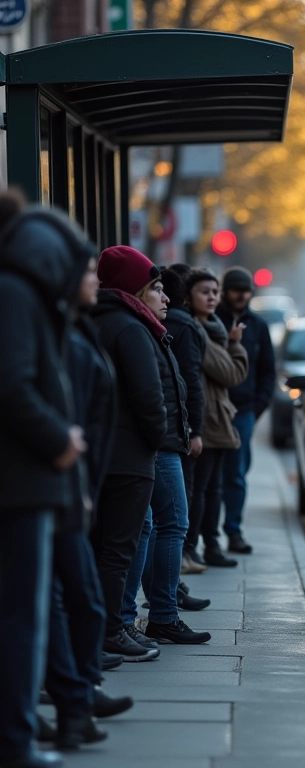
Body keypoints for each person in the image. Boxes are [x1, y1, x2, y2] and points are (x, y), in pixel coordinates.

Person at [0, 191, 91, 768]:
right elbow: (11, 385)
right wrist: (60, 440)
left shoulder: (20, 293)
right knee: (22, 617)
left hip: (28, 482)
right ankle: (15, 743)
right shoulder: (16, 295)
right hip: (23, 483)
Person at [40, 256, 133, 752]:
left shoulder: (73, 328)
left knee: (75, 599)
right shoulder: (55, 333)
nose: (94, 281)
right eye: (86, 273)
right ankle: (73, 699)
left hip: (70, 487)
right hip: (52, 489)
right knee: (68, 599)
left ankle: (77, 697)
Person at [89, 245, 169, 663]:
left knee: (100, 545)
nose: (164, 296)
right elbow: (148, 397)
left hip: (100, 453)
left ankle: (101, 630)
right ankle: (109, 631)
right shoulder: (132, 328)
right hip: (129, 456)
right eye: (156, 287)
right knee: (119, 550)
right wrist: (156, 439)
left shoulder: (93, 321)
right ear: (136, 288)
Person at [186, 270, 248, 567]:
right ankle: (195, 547)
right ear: (189, 296)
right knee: (203, 490)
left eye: (214, 291)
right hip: (207, 422)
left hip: (215, 419)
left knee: (212, 489)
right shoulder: (197, 331)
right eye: (204, 292)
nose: (212, 297)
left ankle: (209, 545)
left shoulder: (210, 328)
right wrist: (235, 345)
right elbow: (231, 373)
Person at [215, 266, 275, 554]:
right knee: (214, 474)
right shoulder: (213, 321)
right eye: (236, 289)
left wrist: (257, 407)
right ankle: (209, 534)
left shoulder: (259, 327)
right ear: (225, 291)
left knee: (237, 472)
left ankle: (234, 531)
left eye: (246, 290)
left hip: (243, 410)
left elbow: (267, 372)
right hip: (215, 409)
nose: (242, 295)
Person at [160, 267, 206, 577]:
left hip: (169, 431)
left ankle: (170, 592)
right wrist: (195, 430)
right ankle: (168, 595)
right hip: (171, 433)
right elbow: (189, 379)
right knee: (175, 518)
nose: (161, 299)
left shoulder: (165, 324)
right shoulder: (184, 326)